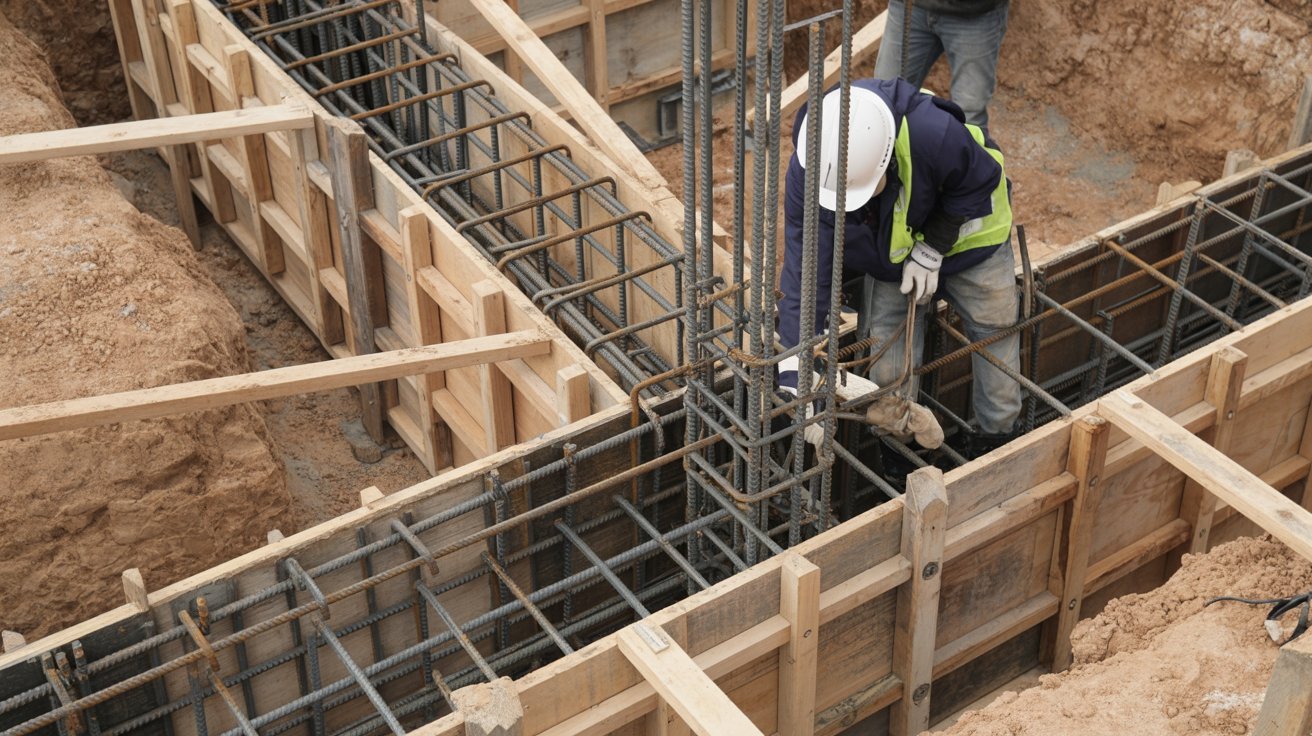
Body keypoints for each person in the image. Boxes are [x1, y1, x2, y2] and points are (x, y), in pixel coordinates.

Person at [776, 78, 1021, 458]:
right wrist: (796, 365)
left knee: (994, 338)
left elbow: (982, 178)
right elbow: (805, 273)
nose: (851, 210)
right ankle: (898, 456)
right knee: (888, 367)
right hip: (894, 261)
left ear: (885, 161)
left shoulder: (931, 133)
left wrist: (933, 246)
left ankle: (997, 445)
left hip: (974, 243)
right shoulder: (813, 166)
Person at [873, 0, 1010, 135]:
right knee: (883, 101)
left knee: (969, 118)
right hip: (910, 7)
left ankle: (962, 157)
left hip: (975, 14)